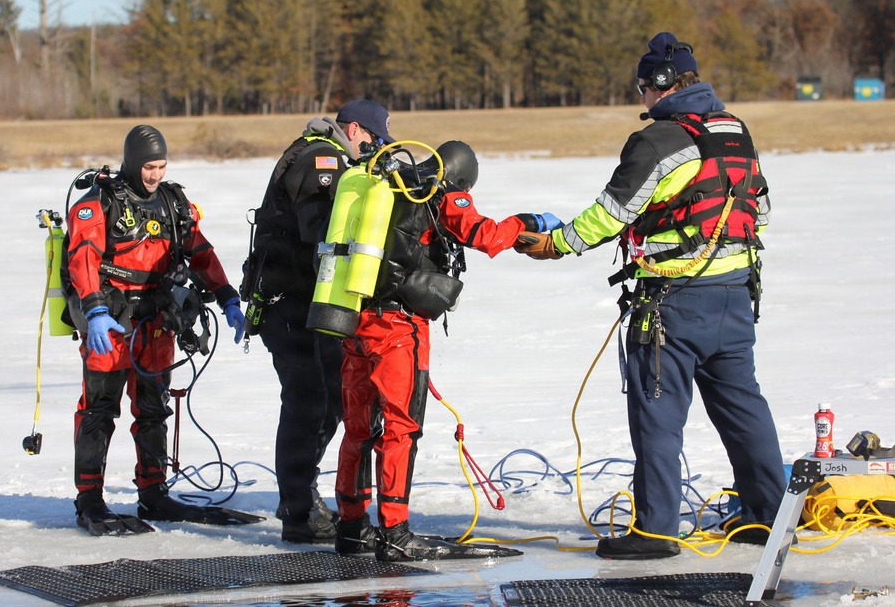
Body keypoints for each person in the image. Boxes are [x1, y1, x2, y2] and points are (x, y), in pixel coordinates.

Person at [515, 32, 786, 560]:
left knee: (658, 416)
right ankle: (768, 516)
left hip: (672, 304)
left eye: (642, 88)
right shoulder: (736, 132)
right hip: (735, 297)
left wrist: (555, 244)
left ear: (659, 86)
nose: (641, 99)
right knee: (743, 409)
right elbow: (763, 211)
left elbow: (609, 214)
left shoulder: (658, 140)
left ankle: (657, 532)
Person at [331, 140, 558, 561]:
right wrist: (528, 221)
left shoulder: (390, 187)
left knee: (358, 428)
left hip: (355, 319)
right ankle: (395, 533)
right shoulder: (441, 193)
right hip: (398, 328)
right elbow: (484, 236)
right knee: (401, 429)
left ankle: (351, 527)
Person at [63, 124, 248, 535]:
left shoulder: (172, 202)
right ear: (132, 162)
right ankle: (89, 499)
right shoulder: (99, 204)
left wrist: (227, 295)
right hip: (110, 323)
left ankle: (153, 492)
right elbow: (83, 259)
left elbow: (199, 252)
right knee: (98, 411)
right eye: (149, 166)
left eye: (161, 166)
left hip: (156, 324)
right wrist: (93, 310)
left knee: (153, 411)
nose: (155, 175)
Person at [245, 99, 393, 544]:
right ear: (353, 131)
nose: (376, 149)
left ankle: (302, 496)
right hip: (289, 301)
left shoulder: (327, 157)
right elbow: (322, 234)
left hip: (307, 300)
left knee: (328, 398)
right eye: (373, 140)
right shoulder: (320, 159)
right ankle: (298, 511)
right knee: (308, 401)